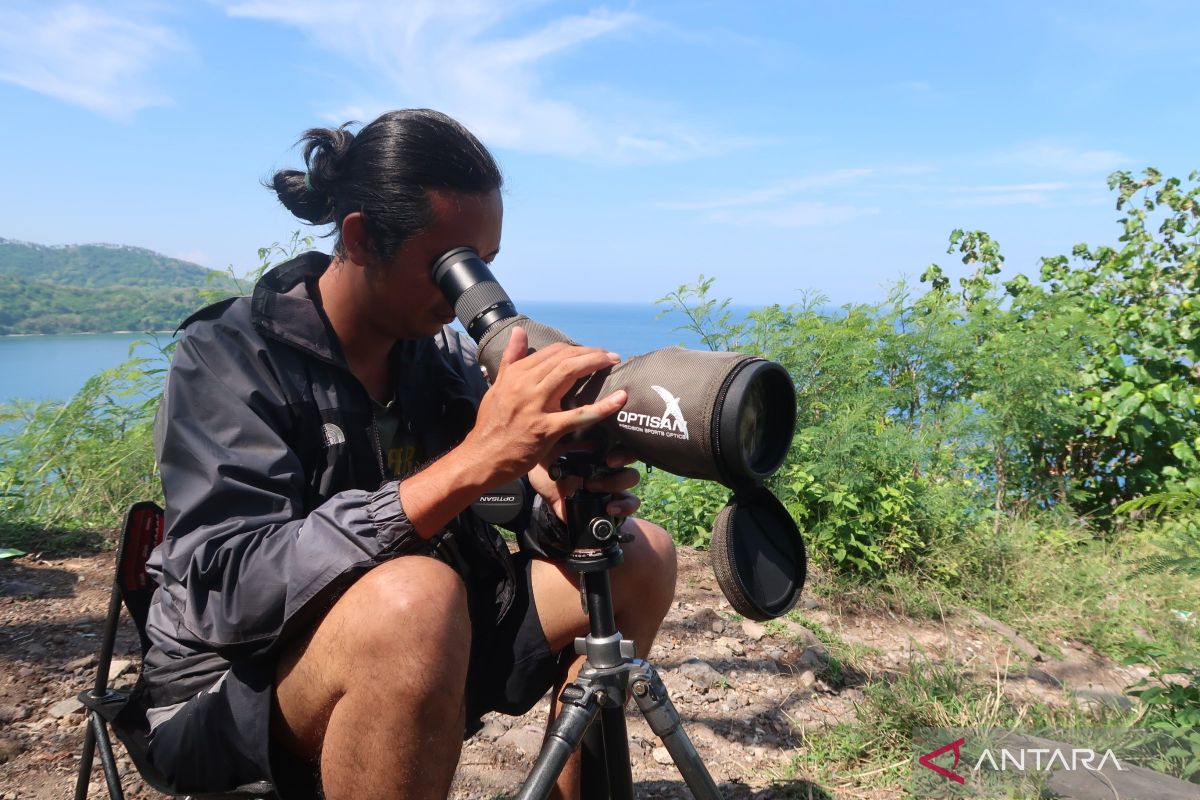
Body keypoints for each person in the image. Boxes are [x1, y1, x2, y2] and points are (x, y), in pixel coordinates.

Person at [131, 109, 678, 800]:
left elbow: (494, 502)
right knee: (414, 596)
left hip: (425, 638)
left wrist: (558, 505)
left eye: (483, 265)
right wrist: (472, 461)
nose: (468, 294)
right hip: (234, 686)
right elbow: (231, 592)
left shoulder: (435, 359)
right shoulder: (229, 356)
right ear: (360, 239)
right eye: (449, 266)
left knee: (640, 555)